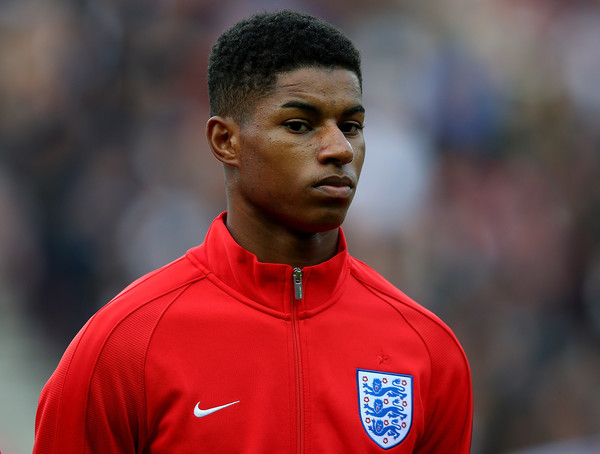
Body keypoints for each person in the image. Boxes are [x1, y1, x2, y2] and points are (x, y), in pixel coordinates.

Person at [33, 10, 472, 453]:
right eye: (299, 125)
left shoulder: (428, 350)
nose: (339, 149)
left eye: (351, 126)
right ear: (226, 141)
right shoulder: (125, 343)